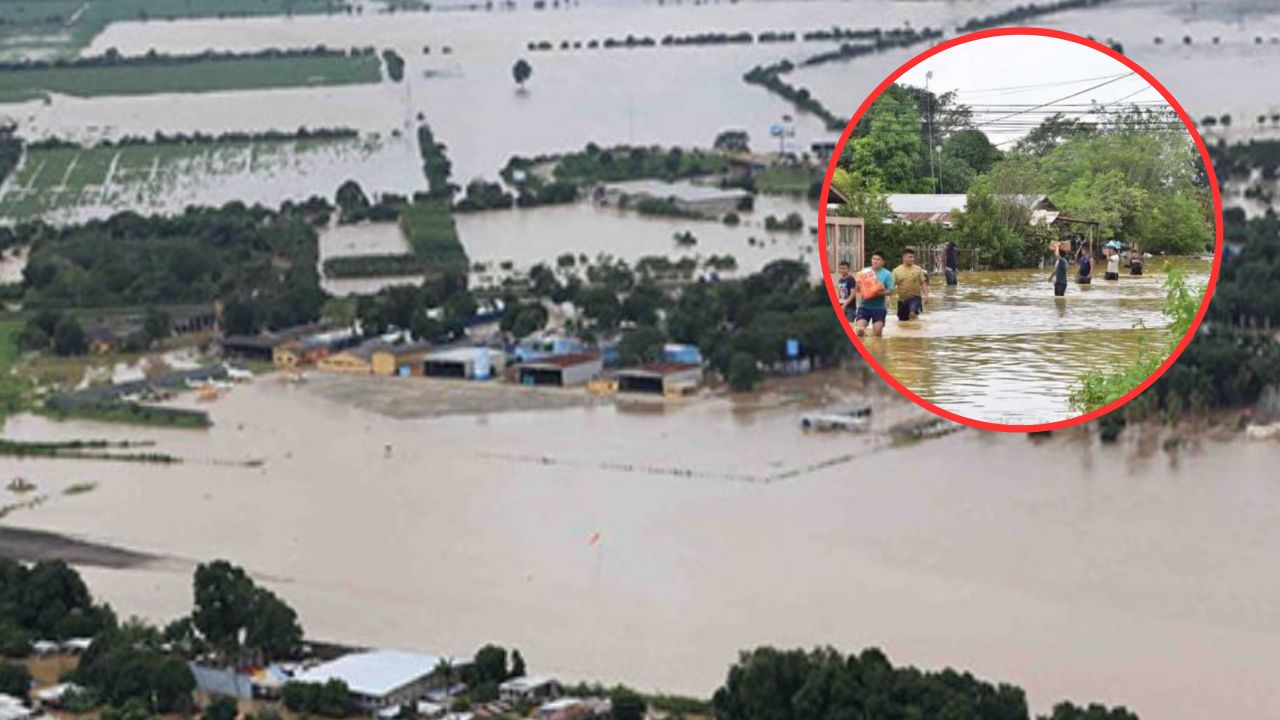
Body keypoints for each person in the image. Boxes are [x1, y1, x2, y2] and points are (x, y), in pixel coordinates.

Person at [853, 250, 895, 337]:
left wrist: (876, 293)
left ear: (883, 262)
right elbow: (857, 290)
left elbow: (890, 291)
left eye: (878, 259)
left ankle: (875, 349)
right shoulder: (864, 272)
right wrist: (858, 283)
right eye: (873, 259)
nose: (875, 261)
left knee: (877, 333)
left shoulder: (887, 274)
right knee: (860, 331)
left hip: (879, 308)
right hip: (864, 306)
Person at [892, 248, 928, 321]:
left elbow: (923, 283)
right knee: (903, 322)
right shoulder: (896, 271)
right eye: (910, 257)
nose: (912, 259)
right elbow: (891, 286)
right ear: (904, 258)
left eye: (913, 257)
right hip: (902, 300)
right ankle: (916, 326)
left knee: (912, 313)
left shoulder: (918, 269)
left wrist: (926, 295)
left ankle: (919, 327)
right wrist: (887, 299)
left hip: (915, 297)